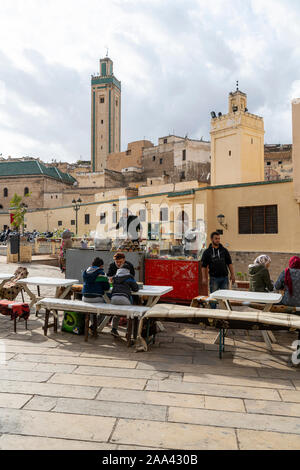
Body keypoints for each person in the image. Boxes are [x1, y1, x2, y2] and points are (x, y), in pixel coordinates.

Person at [82, 257, 110, 333]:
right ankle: (94, 326)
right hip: (96, 297)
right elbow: (106, 288)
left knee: (92, 310)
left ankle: (93, 325)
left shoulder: (85, 272)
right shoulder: (101, 273)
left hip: (85, 297)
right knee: (106, 309)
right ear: (101, 266)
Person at [110, 266, 139, 337]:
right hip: (124, 298)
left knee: (117, 313)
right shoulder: (129, 277)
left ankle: (114, 329)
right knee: (130, 315)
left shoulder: (114, 278)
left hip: (113, 299)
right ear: (127, 270)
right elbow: (136, 289)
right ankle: (128, 333)